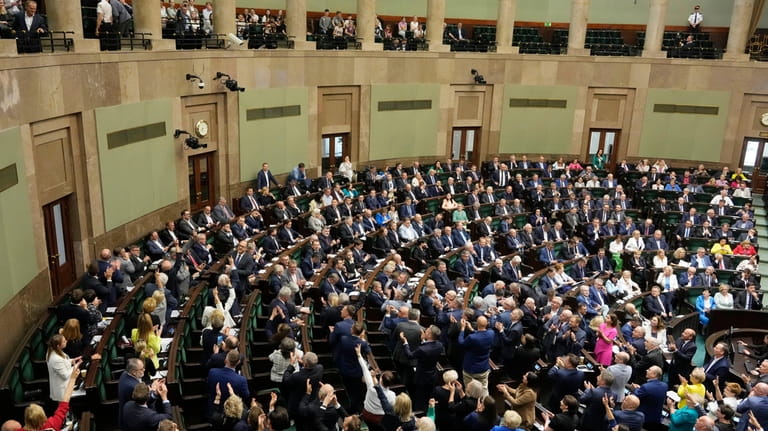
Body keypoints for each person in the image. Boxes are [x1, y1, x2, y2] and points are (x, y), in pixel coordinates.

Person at [17, 362, 80, 431]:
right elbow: (65, 400)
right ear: (43, 416)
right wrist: (73, 378)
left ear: (26, 420)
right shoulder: (52, 424)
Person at [458, 316, 495, 394]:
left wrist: (462, 329)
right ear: (487, 324)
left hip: (470, 368)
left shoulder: (472, 337)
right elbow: (482, 335)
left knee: (469, 390)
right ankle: (486, 404)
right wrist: (472, 329)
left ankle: (470, 404)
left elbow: (461, 343)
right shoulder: (491, 333)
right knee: (484, 388)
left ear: (477, 324)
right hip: (484, 367)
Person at [46, 334, 82, 409]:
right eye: (64, 341)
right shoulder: (55, 358)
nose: (66, 341)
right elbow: (65, 375)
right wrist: (76, 365)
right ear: (58, 346)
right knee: (65, 410)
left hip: (65, 385)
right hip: (62, 389)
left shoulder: (56, 351)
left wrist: (73, 360)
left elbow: (64, 361)